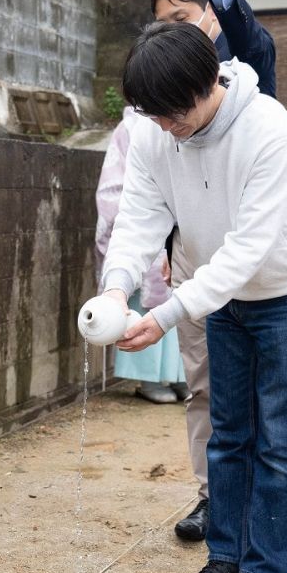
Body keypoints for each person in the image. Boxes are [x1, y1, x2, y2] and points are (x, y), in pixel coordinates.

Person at [100, 22, 287, 573]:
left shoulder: (268, 131)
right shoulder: (158, 132)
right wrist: (115, 288)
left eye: (171, 114)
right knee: (228, 431)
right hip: (218, 291)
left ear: (210, 83)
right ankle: (226, 558)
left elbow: (248, 250)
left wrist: (164, 314)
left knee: (282, 440)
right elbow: (138, 218)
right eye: (153, 116)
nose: (163, 127)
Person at [149, 0, 277, 540]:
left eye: (183, 17)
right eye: (161, 24)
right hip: (194, 259)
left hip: (260, 261)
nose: (173, 32)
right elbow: (148, 194)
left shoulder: (246, 78)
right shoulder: (160, 100)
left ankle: (263, 505)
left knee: (265, 394)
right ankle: (213, 495)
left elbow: (259, 51)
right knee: (203, 387)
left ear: (208, 14)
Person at [95, 109, 187, 404]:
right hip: (143, 226)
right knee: (140, 309)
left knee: (184, 303)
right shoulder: (131, 128)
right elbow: (114, 186)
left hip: (177, 228)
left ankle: (181, 376)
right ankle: (147, 379)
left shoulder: (185, 121)